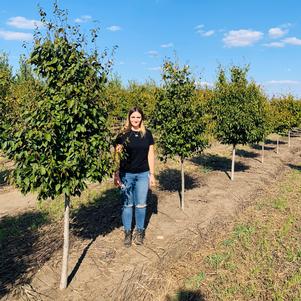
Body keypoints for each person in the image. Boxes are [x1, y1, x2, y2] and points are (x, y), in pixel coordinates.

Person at [114, 107, 155, 247]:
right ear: (129, 118)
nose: (135, 120)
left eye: (138, 117)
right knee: (127, 204)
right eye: (133, 117)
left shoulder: (147, 134)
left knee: (141, 204)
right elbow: (117, 155)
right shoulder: (123, 134)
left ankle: (140, 231)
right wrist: (116, 173)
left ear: (141, 118)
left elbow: (150, 155)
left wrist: (152, 174)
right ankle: (127, 232)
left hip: (143, 174)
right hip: (127, 174)